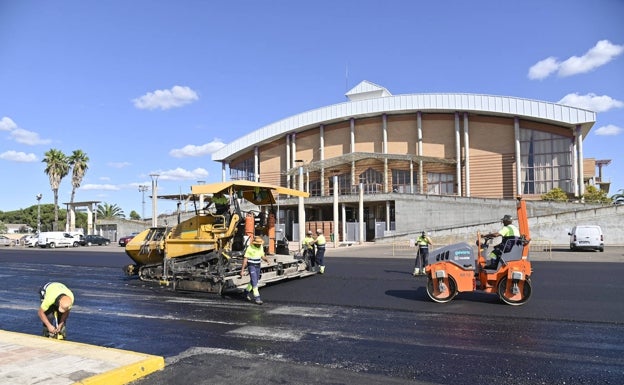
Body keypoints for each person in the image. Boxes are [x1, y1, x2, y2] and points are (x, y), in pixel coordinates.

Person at [240, 236, 269, 304]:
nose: (259, 245)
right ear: (255, 243)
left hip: (258, 266)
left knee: (254, 280)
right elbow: (245, 260)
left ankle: (245, 293)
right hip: (251, 265)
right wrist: (242, 270)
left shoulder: (261, 247)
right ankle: (257, 298)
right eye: (258, 244)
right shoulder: (250, 248)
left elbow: (262, 255)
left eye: (260, 244)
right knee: (254, 281)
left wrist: (266, 259)